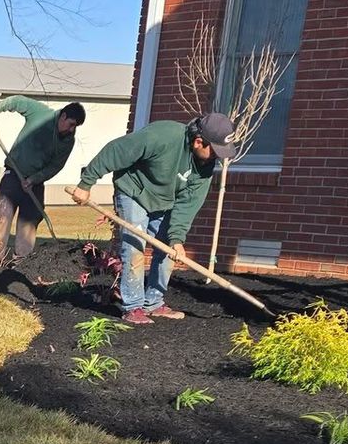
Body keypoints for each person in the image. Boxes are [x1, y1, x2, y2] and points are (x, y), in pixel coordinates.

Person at [69, 112, 236, 325]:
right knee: (134, 247)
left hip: (164, 201)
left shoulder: (205, 167)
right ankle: (133, 307)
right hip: (135, 192)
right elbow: (116, 151)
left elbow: (187, 205)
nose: (217, 157)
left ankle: (154, 303)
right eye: (214, 150)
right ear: (198, 142)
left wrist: (177, 239)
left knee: (168, 250)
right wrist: (86, 183)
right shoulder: (163, 136)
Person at [0, 98, 85, 275]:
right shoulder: (40, 113)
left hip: (34, 184)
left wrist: (35, 179)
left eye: (75, 127)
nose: (72, 129)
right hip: (13, 175)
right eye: (71, 124)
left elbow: (55, 166)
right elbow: (15, 102)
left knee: (28, 223)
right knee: (2, 217)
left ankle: (21, 267)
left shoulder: (68, 141)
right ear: (63, 116)